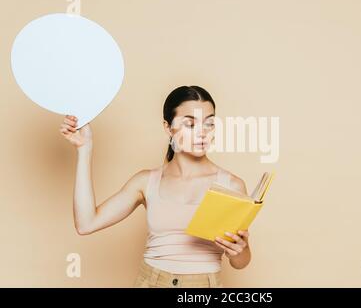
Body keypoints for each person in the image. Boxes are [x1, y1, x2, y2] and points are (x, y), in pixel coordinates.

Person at [59, 85, 251, 288]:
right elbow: (86, 223)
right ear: (168, 127)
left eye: (209, 123)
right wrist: (84, 149)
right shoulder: (146, 181)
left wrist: (241, 249)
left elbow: (241, 262)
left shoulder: (232, 185)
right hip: (151, 282)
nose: (202, 133)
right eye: (190, 124)